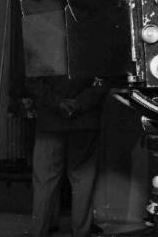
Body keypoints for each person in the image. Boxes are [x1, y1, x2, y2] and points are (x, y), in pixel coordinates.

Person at [29, 76, 108, 237]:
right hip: (85, 120)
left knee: (44, 179)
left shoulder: (44, 49)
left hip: (50, 121)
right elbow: (103, 80)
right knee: (83, 179)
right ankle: (81, 232)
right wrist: (79, 103)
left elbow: (32, 81)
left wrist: (57, 102)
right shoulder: (93, 49)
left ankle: (38, 231)